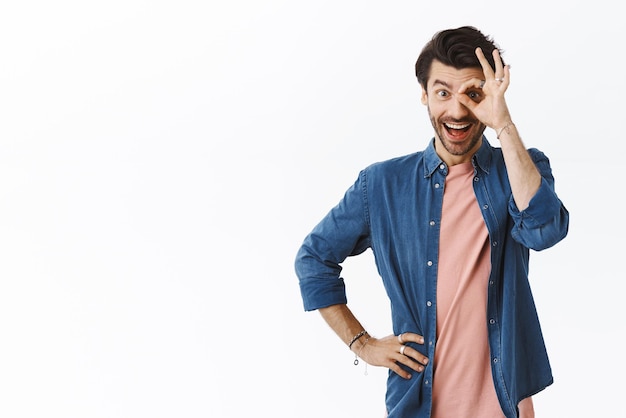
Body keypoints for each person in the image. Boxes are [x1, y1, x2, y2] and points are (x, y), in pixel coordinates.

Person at [294, 26, 569, 417]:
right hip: (416, 404)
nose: (457, 111)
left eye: (473, 94)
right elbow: (313, 259)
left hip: (504, 404)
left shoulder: (519, 168)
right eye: (443, 93)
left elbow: (545, 231)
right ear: (424, 94)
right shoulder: (382, 185)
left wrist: (503, 123)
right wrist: (362, 344)